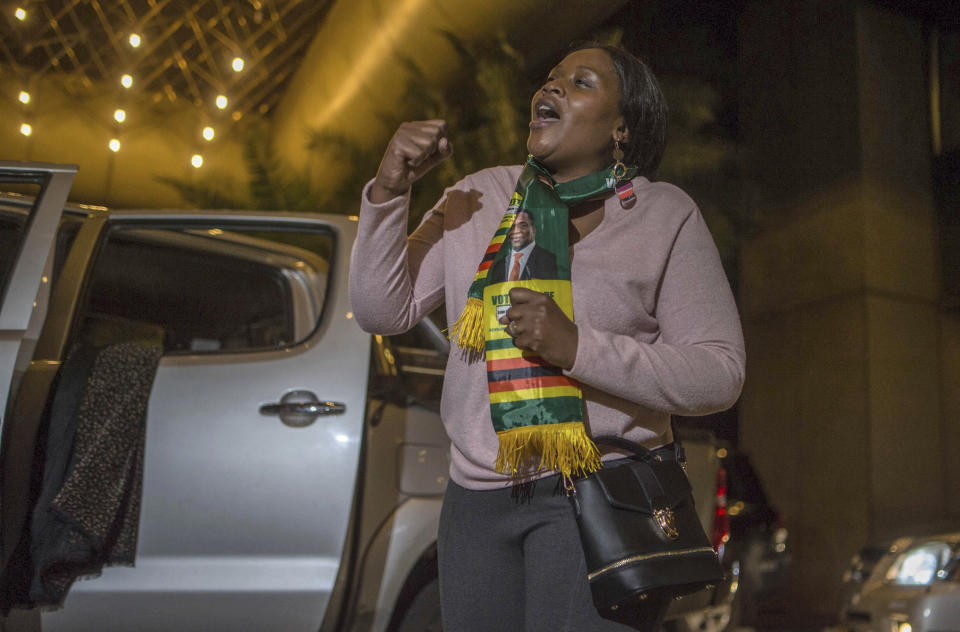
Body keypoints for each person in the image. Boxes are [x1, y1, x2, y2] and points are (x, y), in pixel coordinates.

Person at [350, 44, 745, 632]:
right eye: (550, 78)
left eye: (579, 82)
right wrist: (387, 193)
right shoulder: (476, 196)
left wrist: (578, 348)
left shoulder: (665, 215)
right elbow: (383, 309)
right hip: (477, 504)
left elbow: (719, 373)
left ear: (622, 127)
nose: (551, 88)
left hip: (601, 496)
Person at [488, 209, 558, 281]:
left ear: (533, 230)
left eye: (522, 226)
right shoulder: (499, 266)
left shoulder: (548, 260)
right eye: (511, 227)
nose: (515, 231)